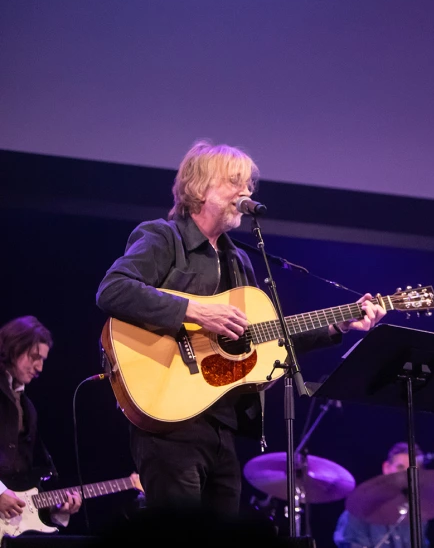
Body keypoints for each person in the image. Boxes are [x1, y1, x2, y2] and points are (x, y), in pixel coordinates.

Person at [96, 140, 386, 517]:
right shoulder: (163, 237)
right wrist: (197, 311)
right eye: (235, 182)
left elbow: (269, 342)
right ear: (199, 187)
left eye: (249, 184)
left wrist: (338, 325)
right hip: (167, 416)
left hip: (223, 424)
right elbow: (113, 289)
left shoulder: (239, 261)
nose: (246, 192)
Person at [0, 316, 82, 524]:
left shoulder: (28, 407)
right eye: (34, 356)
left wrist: (56, 509)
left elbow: (25, 479)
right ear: (14, 347)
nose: (40, 368)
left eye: (43, 360)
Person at [333, 442, 429, 548]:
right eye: (400, 467)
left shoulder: (418, 513)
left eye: (412, 470)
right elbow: (350, 543)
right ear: (386, 467)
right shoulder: (361, 507)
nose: (405, 475)